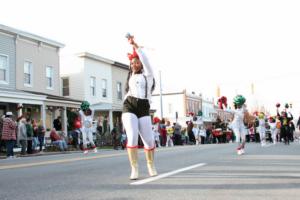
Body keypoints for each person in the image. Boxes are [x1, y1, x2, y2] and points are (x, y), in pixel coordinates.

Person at [121, 34, 157, 180]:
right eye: (132, 63)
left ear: (141, 64)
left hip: (143, 106)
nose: (134, 64)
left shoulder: (147, 75)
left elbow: (146, 60)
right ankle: (134, 168)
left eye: (136, 62)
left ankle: (150, 165)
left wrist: (135, 45)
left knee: (149, 140)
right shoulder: (130, 76)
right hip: (129, 105)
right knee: (132, 136)